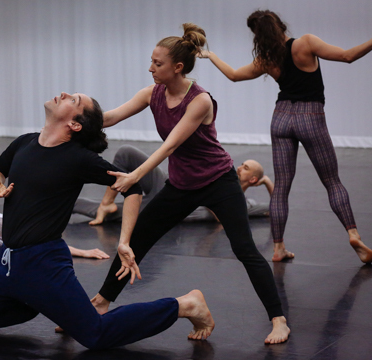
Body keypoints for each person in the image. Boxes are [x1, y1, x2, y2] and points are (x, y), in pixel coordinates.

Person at [0, 91, 215, 349]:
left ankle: (184, 305)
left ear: (74, 124)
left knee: (95, 334)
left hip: (43, 263)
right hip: (5, 261)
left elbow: (132, 187)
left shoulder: (77, 158)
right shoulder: (25, 142)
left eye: (74, 100)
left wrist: (124, 242)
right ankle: (49, 304)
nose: (65, 93)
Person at [89, 23, 289, 344]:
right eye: (151, 61)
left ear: (177, 67)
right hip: (182, 184)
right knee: (138, 238)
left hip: (218, 181)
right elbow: (109, 117)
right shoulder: (151, 94)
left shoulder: (200, 101)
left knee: (245, 249)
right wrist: (76, 117)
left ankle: (279, 319)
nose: (150, 68)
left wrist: (136, 175)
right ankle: (101, 301)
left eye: (157, 63)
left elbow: (170, 146)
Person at [198, 9, 372, 264]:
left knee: (281, 187)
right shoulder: (306, 43)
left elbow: (234, 75)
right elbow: (347, 56)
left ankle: (278, 248)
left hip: (280, 118)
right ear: (280, 25)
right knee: (332, 182)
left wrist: (210, 54)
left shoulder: (267, 60)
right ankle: (353, 234)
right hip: (310, 116)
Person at [74, 145, 273, 224]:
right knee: (126, 154)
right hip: (167, 187)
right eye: (242, 164)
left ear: (253, 179)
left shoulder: (244, 205)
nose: (239, 167)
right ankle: (105, 203)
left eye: (245, 168)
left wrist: (266, 182)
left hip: (168, 209)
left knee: (115, 213)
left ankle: (71, 204)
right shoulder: (220, 181)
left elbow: (273, 209)